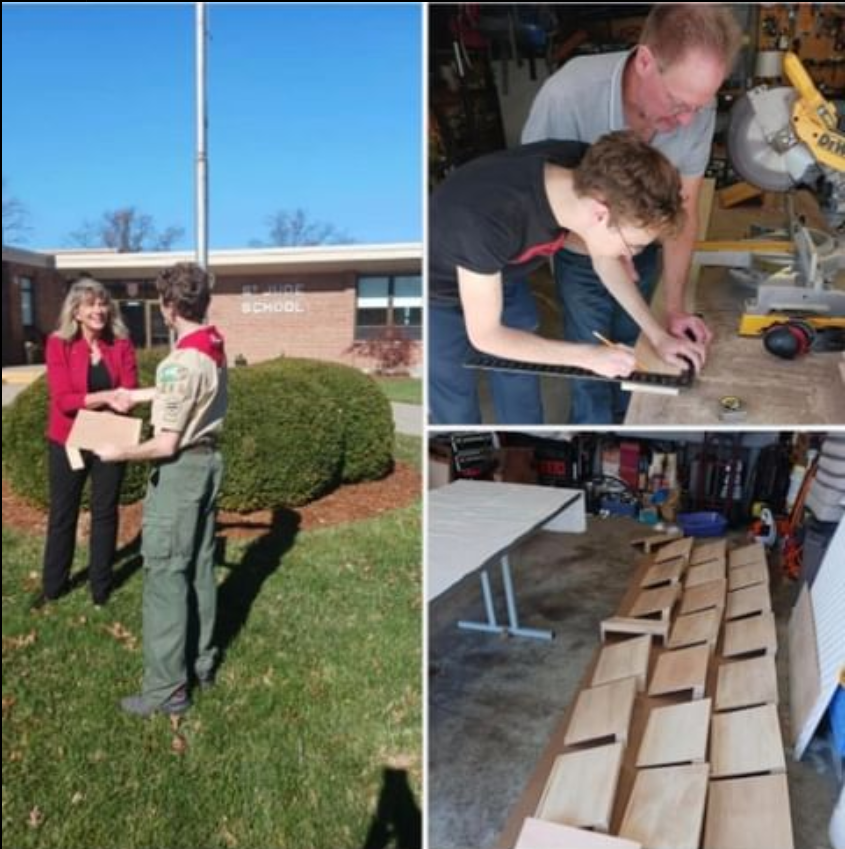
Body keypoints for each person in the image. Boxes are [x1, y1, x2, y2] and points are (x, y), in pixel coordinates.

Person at [522, 4, 742, 423]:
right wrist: (606, 247)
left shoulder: (697, 108)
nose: (687, 121)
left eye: (700, 105)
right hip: (577, 254)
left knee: (638, 352)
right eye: (678, 103)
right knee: (593, 359)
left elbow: (684, 211)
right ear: (645, 61)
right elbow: (538, 203)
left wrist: (675, 309)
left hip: (642, 252)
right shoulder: (567, 94)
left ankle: (627, 425)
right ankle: (591, 428)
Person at [428, 130, 704, 425]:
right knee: (453, 395)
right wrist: (587, 357)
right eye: (633, 245)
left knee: (519, 374)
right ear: (600, 214)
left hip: (499, 270)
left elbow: (604, 256)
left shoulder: (591, 170)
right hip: (438, 292)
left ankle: (523, 448)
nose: (632, 255)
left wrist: (658, 336)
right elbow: (487, 336)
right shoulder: (485, 221)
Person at [95, 263, 227, 717]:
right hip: (209, 463)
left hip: (180, 472)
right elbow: (192, 390)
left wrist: (117, 453)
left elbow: (166, 441)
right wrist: (138, 396)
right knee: (200, 568)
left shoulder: (178, 362)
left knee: (166, 576)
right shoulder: (212, 343)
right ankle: (202, 663)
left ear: (169, 307)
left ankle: (167, 689)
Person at [36, 277, 138, 608]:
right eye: (91, 304)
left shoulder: (121, 343)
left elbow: (130, 387)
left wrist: (121, 398)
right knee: (63, 514)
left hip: (110, 433)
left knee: (105, 512)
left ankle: (101, 587)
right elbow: (64, 400)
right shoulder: (58, 344)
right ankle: (53, 586)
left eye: (103, 303)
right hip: (69, 438)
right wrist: (108, 395)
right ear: (76, 311)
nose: (100, 310)